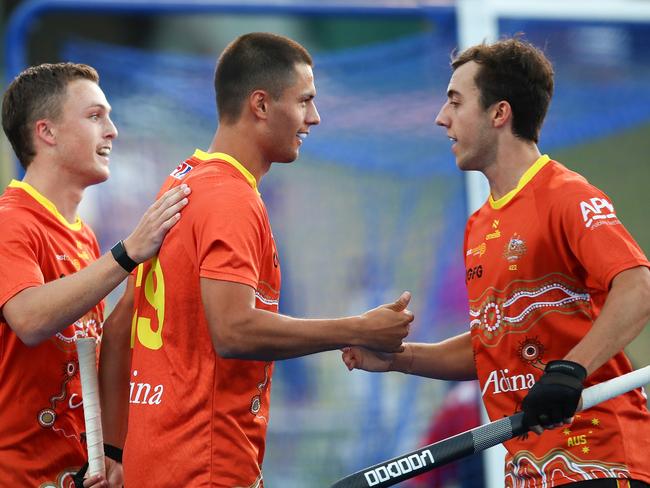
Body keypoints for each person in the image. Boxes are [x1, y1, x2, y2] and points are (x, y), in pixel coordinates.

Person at [343, 37, 650, 487]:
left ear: (499, 113)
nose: (440, 118)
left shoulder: (567, 195)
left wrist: (571, 369)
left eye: (454, 101)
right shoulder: (479, 225)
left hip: (599, 460)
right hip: (528, 471)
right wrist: (400, 359)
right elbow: (492, 341)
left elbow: (637, 287)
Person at [116, 32, 414, 487]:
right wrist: (358, 328)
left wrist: (116, 449)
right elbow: (233, 330)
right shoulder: (230, 198)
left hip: (161, 457)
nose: (314, 118)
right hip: (204, 464)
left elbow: (121, 324)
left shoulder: (184, 180)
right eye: (305, 101)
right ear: (260, 105)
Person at [0, 62, 190, 487]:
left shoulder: (81, 235)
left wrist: (107, 454)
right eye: (94, 116)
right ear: (46, 132)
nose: (112, 130)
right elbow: (29, 320)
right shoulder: (10, 223)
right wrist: (127, 254)